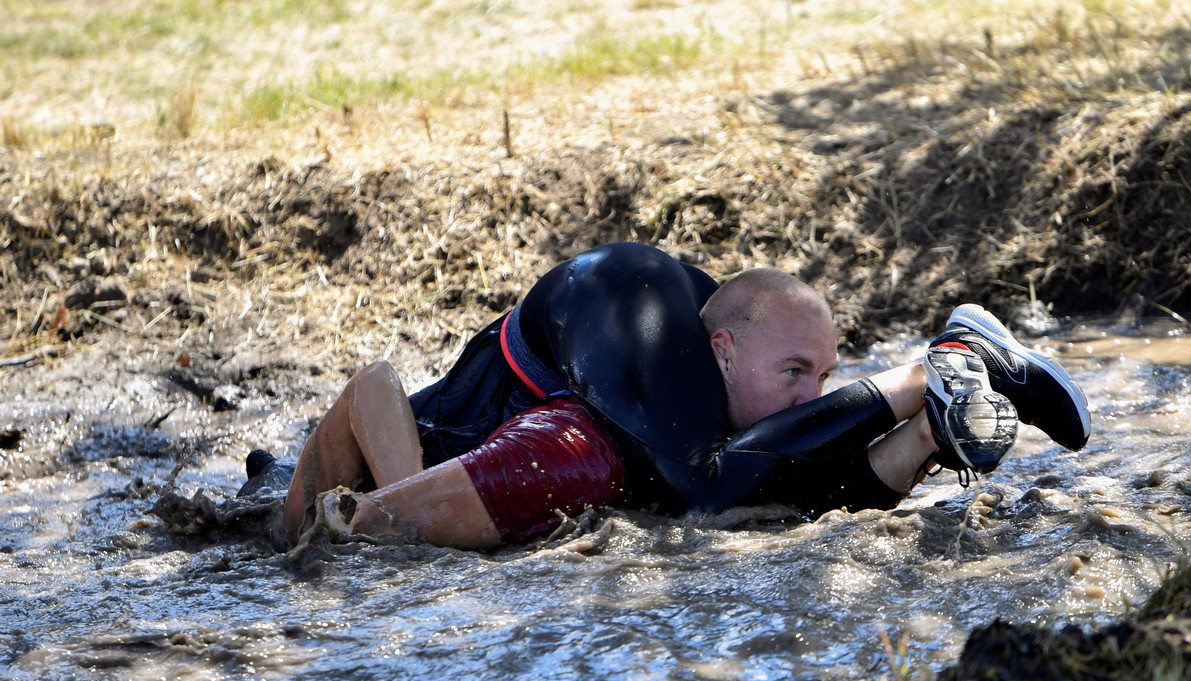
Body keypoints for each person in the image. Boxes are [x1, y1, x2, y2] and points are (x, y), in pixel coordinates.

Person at [245, 242, 1089, 550]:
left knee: (708, 479)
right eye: (798, 373)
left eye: (820, 376)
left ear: (716, 352)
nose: (812, 392)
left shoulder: (672, 361)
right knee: (766, 489)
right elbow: (797, 490)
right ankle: (934, 427)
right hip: (616, 312)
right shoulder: (682, 385)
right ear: (722, 352)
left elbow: (373, 385)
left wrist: (381, 517)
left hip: (619, 299)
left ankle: (936, 365)